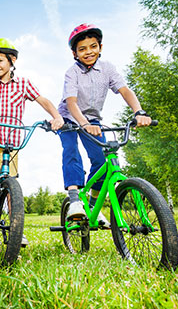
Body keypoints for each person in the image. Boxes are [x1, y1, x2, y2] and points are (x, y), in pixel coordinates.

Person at [0, 38, 64, 246]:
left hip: (12, 139)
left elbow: (43, 100)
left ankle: (17, 229)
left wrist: (56, 117)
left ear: (12, 60)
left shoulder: (23, 84)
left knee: (11, 182)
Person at [58, 24, 152, 225]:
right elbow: (71, 102)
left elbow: (125, 91)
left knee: (101, 159)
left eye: (93, 46)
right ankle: (74, 201)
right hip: (68, 118)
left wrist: (139, 112)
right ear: (75, 53)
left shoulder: (107, 68)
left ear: (100, 47)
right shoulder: (71, 72)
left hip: (92, 119)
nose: (88, 52)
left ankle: (92, 205)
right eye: (82, 49)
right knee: (71, 150)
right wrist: (82, 124)